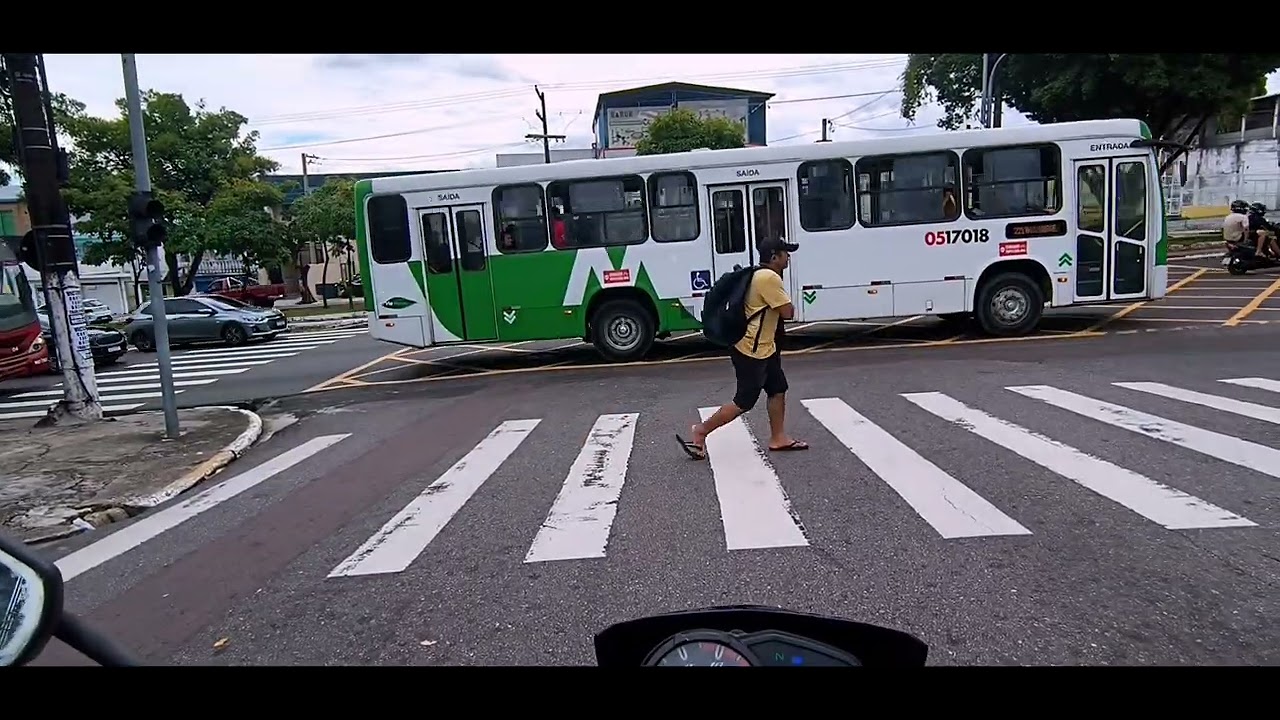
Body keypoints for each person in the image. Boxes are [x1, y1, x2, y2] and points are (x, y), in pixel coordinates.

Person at [677, 238, 809, 460]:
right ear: (774, 256)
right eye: (786, 253)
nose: (789, 257)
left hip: (765, 347)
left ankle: (779, 438)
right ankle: (701, 431)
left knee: (777, 388)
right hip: (752, 349)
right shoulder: (768, 278)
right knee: (744, 401)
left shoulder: (761, 275)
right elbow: (788, 312)